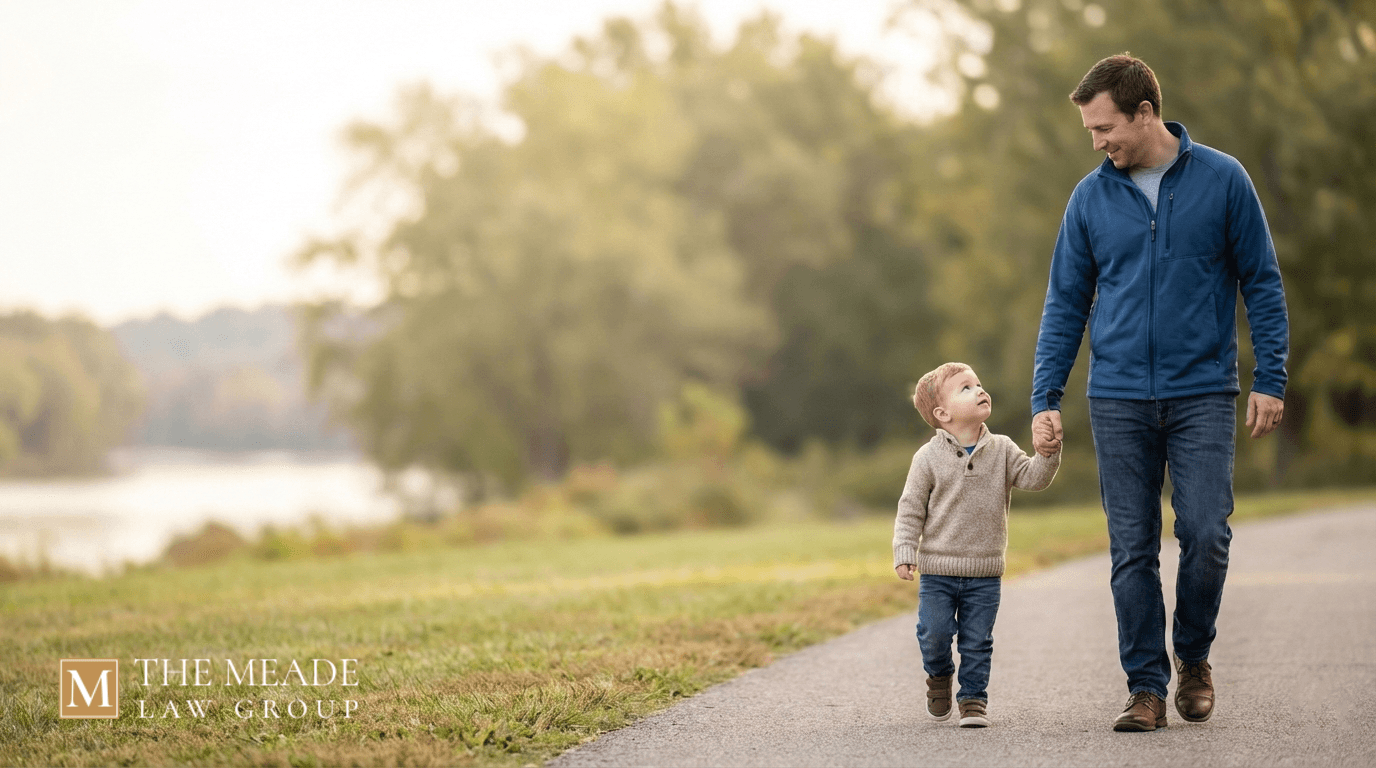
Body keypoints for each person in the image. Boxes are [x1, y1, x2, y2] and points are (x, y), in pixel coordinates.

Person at [1030, 53, 1289, 732]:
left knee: (1206, 533)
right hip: (1116, 397)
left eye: (1105, 126)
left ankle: (1194, 657)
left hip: (1203, 389)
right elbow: (1065, 302)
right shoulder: (1090, 198)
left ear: (1145, 113)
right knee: (1131, 548)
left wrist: (1271, 377)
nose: (1097, 141)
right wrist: (1045, 395)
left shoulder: (1223, 180)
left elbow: (1261, 280)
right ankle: (1145, 686)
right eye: (1090, 129)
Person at [894, 362, 1060, 728]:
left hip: (984, 572)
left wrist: (1048, 453)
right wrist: (905, 551)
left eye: (979, 384)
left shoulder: (1001, 449)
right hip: (938, 571)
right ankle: (938, 676)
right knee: (934, 633)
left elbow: (1033, 478)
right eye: (965, 388)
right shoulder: (927, 459)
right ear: (942, 414)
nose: (980, 390)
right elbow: (909, 510)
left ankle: (972, 700)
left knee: (977, 641)